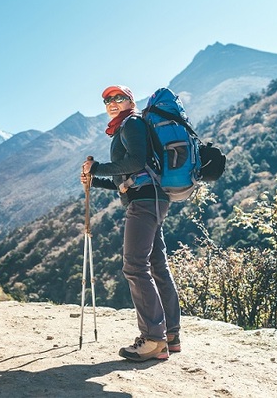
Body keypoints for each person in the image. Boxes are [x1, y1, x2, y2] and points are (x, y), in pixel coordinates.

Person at [81, 85, 181, 362]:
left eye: (118, 98)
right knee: (158, 266)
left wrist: (97, 167)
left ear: (130, 101)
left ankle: (152, 339)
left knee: (135, 266)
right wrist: (96, 180)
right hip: (153, 198)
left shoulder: (132, 123)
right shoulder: (130, 125)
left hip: (145, 202)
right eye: (107, 100)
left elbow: (134, 162)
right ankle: (170, 335)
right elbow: (129, 176)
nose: (112, 103)